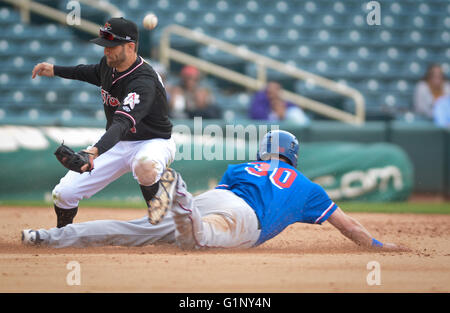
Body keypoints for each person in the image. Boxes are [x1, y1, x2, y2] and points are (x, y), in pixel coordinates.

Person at [21, 130, 408, 252]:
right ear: (293, 156)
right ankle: (176, 191)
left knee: (135, 229)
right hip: (243, 220)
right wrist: (377, 246)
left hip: (220, 198)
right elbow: (349, 227)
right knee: (198, 240)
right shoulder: (308, 188)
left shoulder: (242, 167)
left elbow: (223, 193)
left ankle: (49, 237)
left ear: (264, 152)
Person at [30, 17, 176, 228]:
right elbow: (86, 71)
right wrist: (55, 69)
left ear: (130, 47)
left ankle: (166, 222)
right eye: (104, 46)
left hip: (153, 142)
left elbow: (122, 123)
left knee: (145, 165)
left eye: (111, 46)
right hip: (118, 142)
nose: (106, 51)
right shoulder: (109, 65)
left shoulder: (144, 81)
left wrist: (93, 152)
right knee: (63, 193)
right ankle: (63, 233)